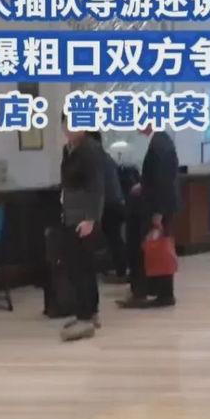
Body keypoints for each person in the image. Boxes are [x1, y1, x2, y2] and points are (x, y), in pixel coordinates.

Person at [118, 125, 180, 309]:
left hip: (157, 208)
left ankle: (161, 294)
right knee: (156, 247)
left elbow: (164, 182)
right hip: (157, 205)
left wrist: (158, 215)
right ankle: (157, 291)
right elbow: (156, 178)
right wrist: (143, 185)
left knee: (157, 248)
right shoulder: (160, 141)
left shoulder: (160, 145)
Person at [60, 114, 105, 342]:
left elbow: (97, 187)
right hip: (70, 215)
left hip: (84, 218)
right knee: (77, 267)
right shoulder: (68, 149)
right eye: (66, 123)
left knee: (83, 268)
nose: (69, 128)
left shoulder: (90, 149)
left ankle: (86, 316)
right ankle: (88, 312)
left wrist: (90, 219)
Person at [86, 131, 127, 283]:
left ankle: (121, 272)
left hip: (109, 205)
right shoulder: (106, 157)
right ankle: (120, 270)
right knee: (114, 239)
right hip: (116, 202)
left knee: (114, 239)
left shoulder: (95, 159)